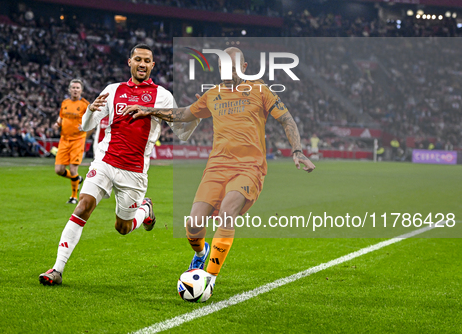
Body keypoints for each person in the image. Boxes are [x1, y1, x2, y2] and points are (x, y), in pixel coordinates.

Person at [123, 47, 316, 292]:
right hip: (216, 168)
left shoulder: (261, 91)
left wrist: (297, 151)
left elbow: (287, 119)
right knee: (193, 226)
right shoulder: (212, 95)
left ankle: (209, 279)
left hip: (249, 168)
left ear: (244, 68)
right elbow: (183, 114)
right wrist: (150, 111)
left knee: (227, 213)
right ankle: (201, 253)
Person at [39, 44, 195, 286]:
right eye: (138, 59)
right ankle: (57, 269)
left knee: (122, 228)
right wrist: (90, 111)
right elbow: (86, 125)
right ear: (129, 62)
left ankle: (145, 210)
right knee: (83, 206)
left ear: (153, 66)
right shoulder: (113, 90)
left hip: (134, 172)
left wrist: (154, 111)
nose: (142, 64)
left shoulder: (162, 95)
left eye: (147, 61)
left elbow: (182, 131)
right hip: (105, 161)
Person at [53, 79, 90, 204]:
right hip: (64, 139)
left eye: (77, 88)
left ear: (81, 90)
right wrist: (57, 124)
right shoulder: (65, 103)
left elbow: (91, 121)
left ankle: (74, 197)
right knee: (58, 170)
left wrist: (85, 127)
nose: (75, 90)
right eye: (73, 87)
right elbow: (61, 116)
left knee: (73, 168)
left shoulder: (85, 105)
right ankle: (77, 179)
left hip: (78, 140)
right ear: (69, 89)